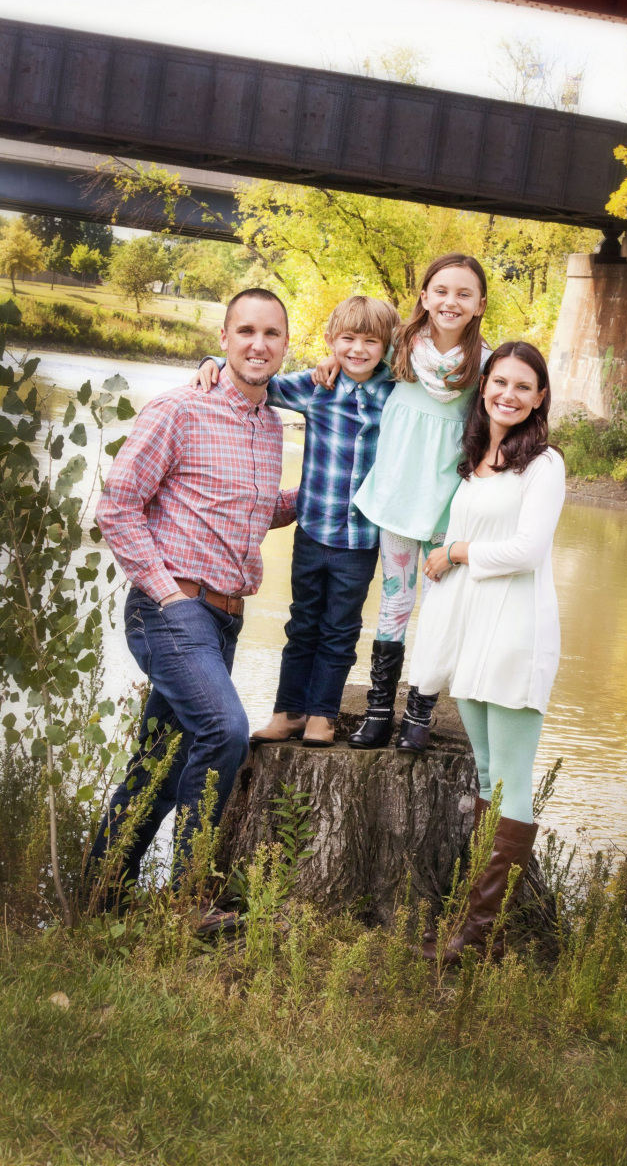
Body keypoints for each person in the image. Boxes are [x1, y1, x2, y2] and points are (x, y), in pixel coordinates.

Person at [90, 288, 297, 908]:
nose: (258, 344)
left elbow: (249, 509)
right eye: (246, 331)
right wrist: (167, 597)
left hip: (225, 617)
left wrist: (318, 498)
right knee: (225, 730)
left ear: (287, 345)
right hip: (173, 609)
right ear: (224, 339)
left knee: (164, 761)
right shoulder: (179, 409)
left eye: (271, 333)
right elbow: (116, 507)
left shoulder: (271, 426)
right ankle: (188, 900)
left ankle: (102, 896)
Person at [407, 341, 566, 964]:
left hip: (516, 634)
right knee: (483, 776)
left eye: (523, 387)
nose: (509, 395)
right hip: (473, 633)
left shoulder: (543, 464)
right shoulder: (476, 459)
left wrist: (457, 552)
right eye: (500, 382)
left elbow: (527, 551)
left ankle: (479, 937)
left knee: (509, 781)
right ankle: (472, 926)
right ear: (485, 386)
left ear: (540, 397)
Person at [195, 296, 399, 747]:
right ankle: (288, 712)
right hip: (311, 532)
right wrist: (213, 361)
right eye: (348, 339)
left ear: (388, 346)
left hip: (361, 540)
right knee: (302, 623)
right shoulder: (315, 386)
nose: (358, 350)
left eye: (371, 342)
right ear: (330, 340)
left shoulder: (397, 393)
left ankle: (322, 716)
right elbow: (255, 378)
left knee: (340, 630)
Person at [315, 253, 492, 753]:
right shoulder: (400, 346)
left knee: (438, 609)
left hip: (448, 506)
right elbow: (357, 352)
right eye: (441, 291)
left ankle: (419, 714)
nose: (451, 302)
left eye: (463, 294)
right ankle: (377, 712)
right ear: (424, 296)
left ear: (480, 304)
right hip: (397, 497)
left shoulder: (485, 363)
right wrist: (332, 359)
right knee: (394, 600)